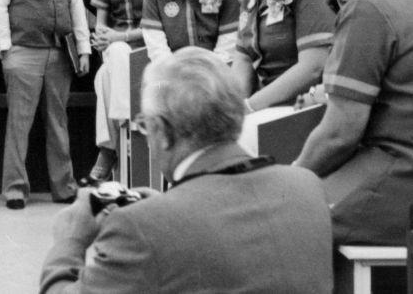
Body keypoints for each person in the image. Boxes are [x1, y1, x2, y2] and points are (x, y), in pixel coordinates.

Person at [40, 47, 333, 294]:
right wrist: (168, 207)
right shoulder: (307, 187)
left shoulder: (140, 227)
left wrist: (70, 240)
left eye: (146, 126)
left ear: (162, 132)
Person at [295, 0, 413, 246]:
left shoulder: (370, 9)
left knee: (280, 224)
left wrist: (289, 181)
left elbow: (339, 133)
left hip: (390, 183)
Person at [0, 0, 91, 209]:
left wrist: (84, 49)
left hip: (60, 54)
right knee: (20, 123)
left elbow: (77, 9)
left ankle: (64, 187)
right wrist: (6, 49)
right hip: (23, 52)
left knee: (58, 122)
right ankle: (15, 189)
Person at [82, 0, 165, 185]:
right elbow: (102, 27)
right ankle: (123, 127)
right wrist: (106, 39)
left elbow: (156, 27)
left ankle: (108, 148)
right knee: (113, 60)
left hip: (147, 51)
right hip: (115, 52)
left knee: (104, 77)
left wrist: (119, 38)